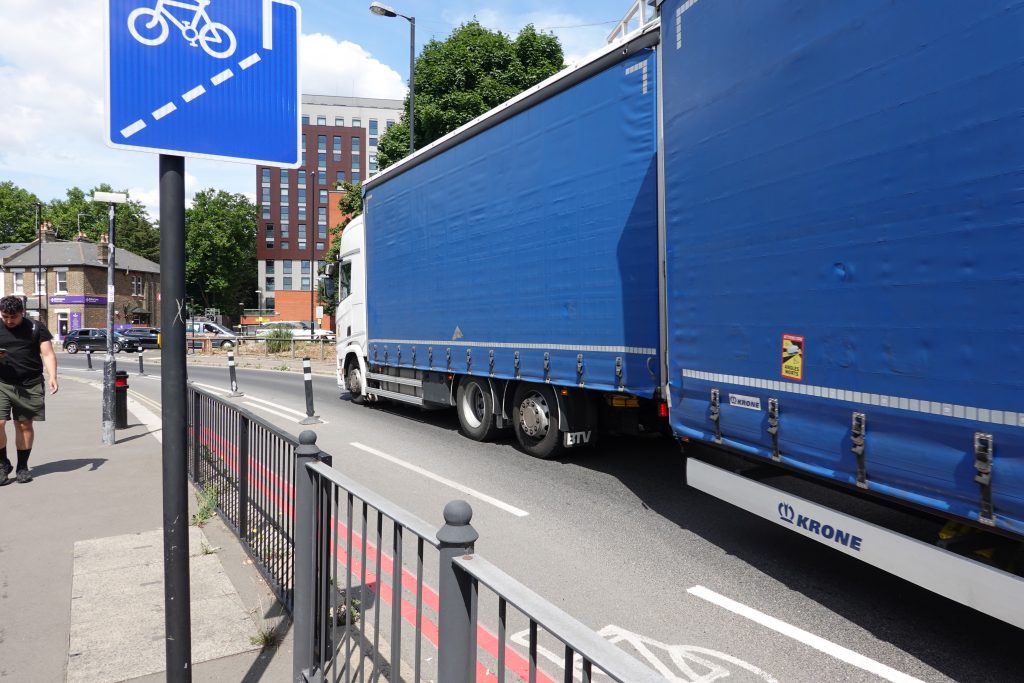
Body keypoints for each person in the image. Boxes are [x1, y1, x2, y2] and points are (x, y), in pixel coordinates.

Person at [0, 296, 58, 485]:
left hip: (30, 383)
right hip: (2, 382)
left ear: (22, 313)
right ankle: (3, 464)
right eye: (5, 316)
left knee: (23, 425)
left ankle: (22, 467)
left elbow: (48, 354)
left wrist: (52, 376)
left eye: (13, 317)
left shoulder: (35, 327)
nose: (9, 321)